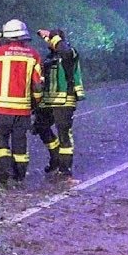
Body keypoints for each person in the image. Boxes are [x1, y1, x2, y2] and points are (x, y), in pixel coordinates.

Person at [0, 20, 43, 187]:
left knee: (1, 142)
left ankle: (5, 175)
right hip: (22, 110)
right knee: (20, 143)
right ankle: (19, 176)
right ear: (24, 36)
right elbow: (38, 84)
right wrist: (36, 103)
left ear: (7, 36)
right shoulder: (33, 55)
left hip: (0, 109)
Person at [34, 28, 85, 180]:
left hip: (65, 100)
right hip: (48, 100)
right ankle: (55, 157)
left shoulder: (70, 51)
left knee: (64, 134)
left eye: (50, 39)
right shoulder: (50, 57)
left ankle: (65, 168)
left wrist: (52, 36)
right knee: (40, 127)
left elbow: (65, 52)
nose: (47, 42)